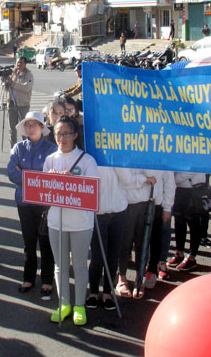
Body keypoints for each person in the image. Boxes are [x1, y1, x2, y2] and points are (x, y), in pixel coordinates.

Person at [44, 116, 98, 326]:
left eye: (66, 134)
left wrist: (74, 182)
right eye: (58, 134)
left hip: (81, 223)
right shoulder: (50, 160)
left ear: (75, 135)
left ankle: (79, 306)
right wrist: (51, 180)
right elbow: (43, 192)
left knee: (79, 265)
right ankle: (64, 303)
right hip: (56, 221)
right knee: (60, 265)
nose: (62, 138)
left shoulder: (86, 160)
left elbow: (93, 193)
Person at [8, 111, 57, 298]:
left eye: (34, 124)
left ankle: (47, 280)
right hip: (24, 202)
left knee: (46, 242)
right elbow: (12, 173)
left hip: (44, 203)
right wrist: (36, 177)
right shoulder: (19, 147)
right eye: (27, 125)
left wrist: (26, 174)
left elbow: (49, 178)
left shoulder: (51, 149)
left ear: (42, 127)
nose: (30, 128)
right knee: (29, 242)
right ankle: (28, 277)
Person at [87, 164, 128, 310]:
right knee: (97, 257)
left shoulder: (118, 155)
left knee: (113, 256)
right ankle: (92, 292)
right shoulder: (91, 155)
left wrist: (116, 161)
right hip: (98, 213)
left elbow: (127, 180)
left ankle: (107, 292)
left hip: (119, 211)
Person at [113, 168, 157, 299]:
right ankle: (122, 278)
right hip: (126, 204)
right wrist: (145, 179)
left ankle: (139, 279)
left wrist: (146, 177)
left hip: (145, 202)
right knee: (125, 244)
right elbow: (126, 181)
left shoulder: (144, 151)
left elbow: (153, 175)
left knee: (142, 243)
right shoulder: (123, 151)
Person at [167, 171, 207, 273]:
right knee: (179, 222)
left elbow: (194, 167)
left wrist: (174, 179)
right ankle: (179, 252)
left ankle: (192, 256)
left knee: (194, 224)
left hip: (194, 189)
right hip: (180, 189)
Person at [143, 170, 176, 289]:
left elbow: (169, 182)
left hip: (156, 204)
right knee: (138, 239)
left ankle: (152, 270)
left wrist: (167, 207)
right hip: (136, 202)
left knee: (155, 238)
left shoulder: (161, 155)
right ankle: (139, 271)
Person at [5, 56, 34, 145]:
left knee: (24, 128)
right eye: (17, 62)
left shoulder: (28, 75)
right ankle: (13, 148)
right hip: (11, 103)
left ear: (25, 64)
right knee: (12, 128)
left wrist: (12, 83)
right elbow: (6, 88)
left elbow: (26, 87)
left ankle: (27, 147)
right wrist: (4, 82)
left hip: (23, 105)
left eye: (21, 62)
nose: (18, 64)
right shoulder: (13, 73)